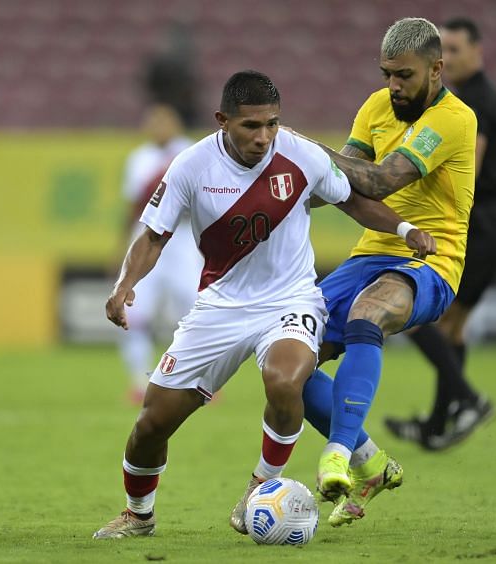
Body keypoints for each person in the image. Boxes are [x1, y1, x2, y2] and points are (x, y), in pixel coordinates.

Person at [92, 70, 436, 539]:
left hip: (290, 299)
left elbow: (353, 201)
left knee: (285, 378)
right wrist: (124, 284)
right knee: (153, 424)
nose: (264, 137)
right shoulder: (192, 166)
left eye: (272, 124)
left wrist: (404, 231)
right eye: (251, 126)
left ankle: (260, 488)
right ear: (222, 121)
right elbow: (153, 235)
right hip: (220, 306)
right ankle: (138, 515)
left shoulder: (302, 155)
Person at [290, 18, 476, 524]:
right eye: (386, 73)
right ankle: (370, 464)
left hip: (431, 260)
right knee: (287, 359)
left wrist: (301, 148)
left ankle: (337, 452)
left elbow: (376, 180)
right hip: (370, 253)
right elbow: (340, 185)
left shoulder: (455, 119)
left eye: (404, 76)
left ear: (436, 70)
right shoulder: (376, 107)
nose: (393, 85)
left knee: (368, 313)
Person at [384, 17, 496, 450]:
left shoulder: (471, 105)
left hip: (478, 221)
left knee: (420, 315)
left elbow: (474, 163)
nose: (446, 57)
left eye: (456, 49)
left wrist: (460, 203)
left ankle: (467, 400)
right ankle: (439, 423)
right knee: (453, 328)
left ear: (477, 52)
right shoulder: (490, 97)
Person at [117, 104, 202, 404]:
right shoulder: (138, 158)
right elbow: (131, 207)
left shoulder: (190, 152)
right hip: (144, 238)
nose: (159, 127)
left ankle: (201, 382)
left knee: (196, 311)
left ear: (177, 124)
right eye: (154, 121)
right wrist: (119, 249)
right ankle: (139, 381)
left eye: (165, 121)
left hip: (181, 241)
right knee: (133, 313)